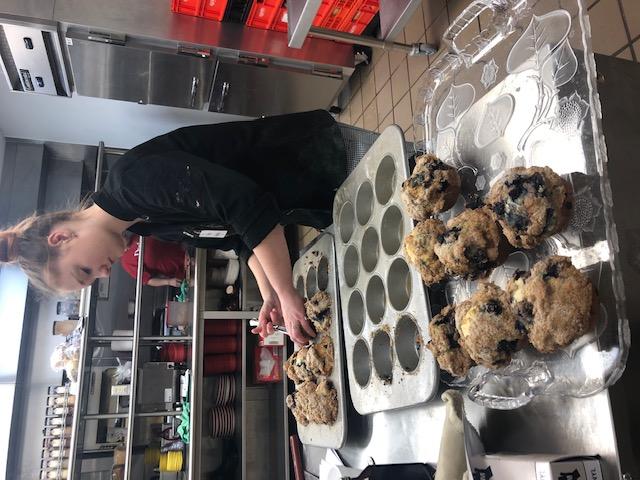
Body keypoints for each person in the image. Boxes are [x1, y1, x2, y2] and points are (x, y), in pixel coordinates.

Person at [0, 110, 348, 345]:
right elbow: (240, 237)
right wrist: (270, 293)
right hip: (312, 197)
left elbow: (247, 206)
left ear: (62, 237)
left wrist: (287, 292)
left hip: (316, 158)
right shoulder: (147, 226)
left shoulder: (133, 183)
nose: (103, 273)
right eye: (91, 279)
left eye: (85, 270)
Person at [119, 234, 186, 287]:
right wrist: (169, 282)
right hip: (180, 270)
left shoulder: (136, 235)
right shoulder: (126, 262)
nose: (123, 234)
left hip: (183, 249)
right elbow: (148, 280)